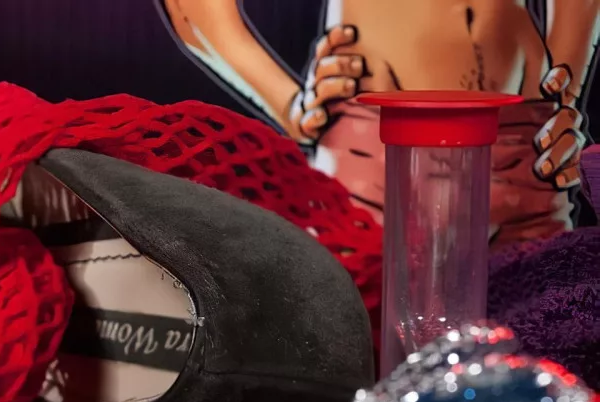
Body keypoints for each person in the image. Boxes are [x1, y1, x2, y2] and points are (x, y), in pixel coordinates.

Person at [158, 0, 600, 243]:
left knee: (535, 369)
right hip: (376, 156)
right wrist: (290, 107)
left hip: (524, 155)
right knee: (364, 364)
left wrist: (561, 96)